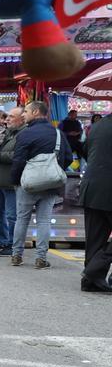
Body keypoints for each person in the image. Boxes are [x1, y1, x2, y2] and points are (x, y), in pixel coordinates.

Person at [10, 101, 72, 269]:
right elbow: (68, 158)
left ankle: (16, 255)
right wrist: (52, 173)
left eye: (26, 111)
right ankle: (41, 258)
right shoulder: (58, 133)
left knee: (22, 219)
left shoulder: (25, 134)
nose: (23, 115)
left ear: (36, 112)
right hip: (51, 185)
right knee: (44, 221)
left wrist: (16, 181)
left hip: (27, 184)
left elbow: (18, 161)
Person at [79, 112, 112, 292]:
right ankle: (93, 271)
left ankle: (91, 281)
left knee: (95, 238)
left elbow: (85, 150)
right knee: (96, 237)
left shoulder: (98, 125)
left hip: (92, 186)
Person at [0, 106, 25, 256]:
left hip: (12, 180)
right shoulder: (7, 133)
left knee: (12, 215)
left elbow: (19, 155)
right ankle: (1, 240)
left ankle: (12, 244)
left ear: (21, 119)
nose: (6, 119)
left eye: (10, 116)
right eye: (6, 117)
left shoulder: (23, 134)